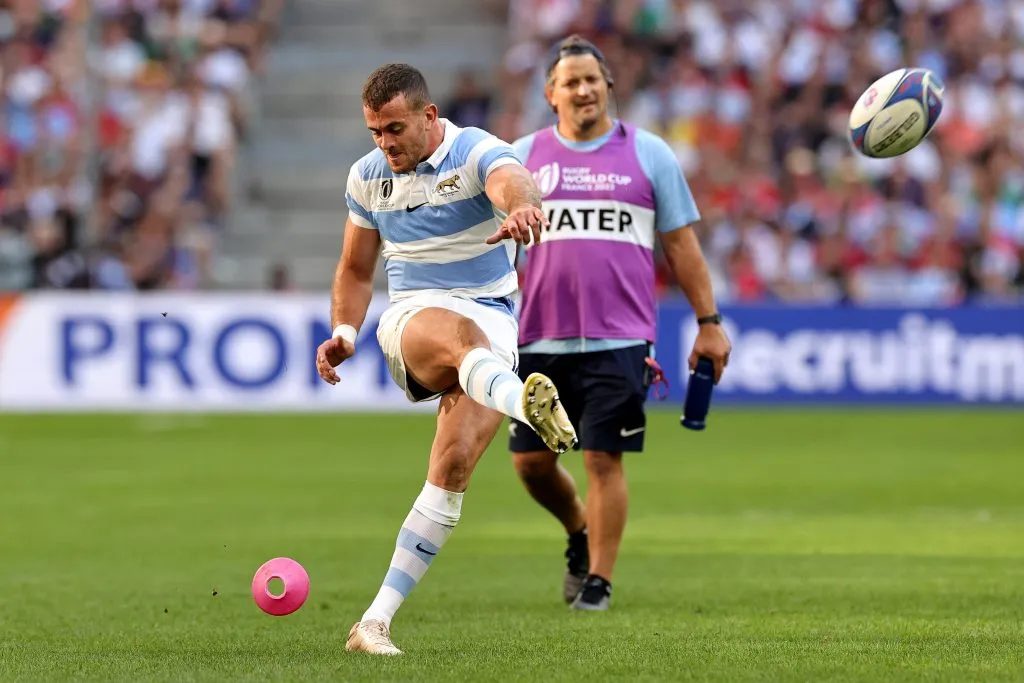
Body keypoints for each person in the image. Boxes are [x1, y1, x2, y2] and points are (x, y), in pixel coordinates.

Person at [315, 63, 578, 656]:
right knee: (463, 342)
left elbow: (514, 181)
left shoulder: (475, 148)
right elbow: (356, 269)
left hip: (493, 323)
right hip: (415, 317)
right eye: (375, 132)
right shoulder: (367, 178)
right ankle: (524, 405)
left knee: (453, 466)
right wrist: (345, 332)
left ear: (428, 117)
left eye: (394, 129)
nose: (385, 144)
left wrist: (523, 209)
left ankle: (373, 623)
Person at [507, 36, 732, 611]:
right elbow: (495, 250)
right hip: (537, 336)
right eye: (571, 81)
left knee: (603, 457)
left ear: (609, 87)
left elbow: (682, 246)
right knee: (531, 465)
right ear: (550, 93)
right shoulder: (521, 157)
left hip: (620, 336)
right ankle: (578, 530)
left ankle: (598, 583)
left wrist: (709, 322)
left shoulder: (650, 153)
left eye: (592, 80)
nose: (583, 89)